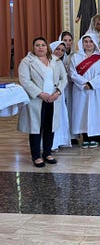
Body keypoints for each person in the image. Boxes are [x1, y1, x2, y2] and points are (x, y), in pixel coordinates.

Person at [18, 37, 67, 167]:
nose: (41, 47)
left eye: (43, 45)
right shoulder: (27, 62)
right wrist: (40, 94)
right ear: (33, 48)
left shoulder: (56, 61)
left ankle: (47, 152)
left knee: (49, 127)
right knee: (36, 128)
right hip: (36, 100)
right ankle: (36, 156)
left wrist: (57, 92)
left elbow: (64, 78)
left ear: (47, 47)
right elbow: (25, 81)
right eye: (38, 45)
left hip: (53, 99)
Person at [69, 34, 100, 148]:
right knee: (82, 112)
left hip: (96, 89)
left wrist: (91, 83)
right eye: (85, 41)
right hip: (81, 90)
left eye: (91, 41)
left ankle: (94, 137)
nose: (88, 44)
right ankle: (85, 136)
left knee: (95, 112)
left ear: (94, 43)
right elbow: (72, 73)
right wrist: (83, 83)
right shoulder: (75, 57)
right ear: (82, 43)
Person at [50, 41, 72, 151]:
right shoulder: (45, 61)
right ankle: (50, 144)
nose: (60, 52)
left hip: (58, 94)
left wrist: (58, 90)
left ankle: (57, 142)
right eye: (57, 49)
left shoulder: (59, 62)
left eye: (62, 50)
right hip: (47, 94)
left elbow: (64, 79)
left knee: (59, 119)